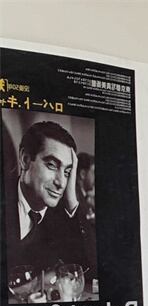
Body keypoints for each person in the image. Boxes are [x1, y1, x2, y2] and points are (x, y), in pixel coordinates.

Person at [3, 120, 89, 292]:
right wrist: (33, 284)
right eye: (51, 165)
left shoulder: (60, 212)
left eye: (67, 172)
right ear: (25, 160)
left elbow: (84, 268)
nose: (61, 183)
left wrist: (71, 198)